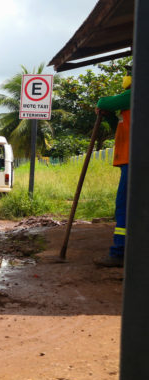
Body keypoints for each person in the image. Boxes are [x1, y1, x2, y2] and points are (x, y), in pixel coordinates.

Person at [94, 71, 132, 268]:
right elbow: (119, 128)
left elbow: (103, 101)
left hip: (134, 162)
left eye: (128, 74)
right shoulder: (131, 103)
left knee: (124, 206)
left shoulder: (134, 94)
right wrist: (109, 117)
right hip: (130, 160)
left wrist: (104, 107)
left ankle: (119, 252)